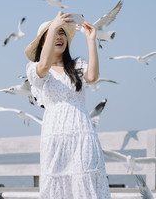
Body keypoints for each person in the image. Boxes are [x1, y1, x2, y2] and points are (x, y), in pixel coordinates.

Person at [24, 11, 111, 199]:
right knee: (57, 186)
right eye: (54, 34)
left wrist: (91, 40)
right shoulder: (35, 69)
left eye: (63, 33)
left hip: (82, 133)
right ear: (43, 43)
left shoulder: (77, 65)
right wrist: (54, 25)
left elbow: (93, 76)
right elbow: (44, 64)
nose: (60, 37)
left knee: (86, 182)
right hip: (55, 135)